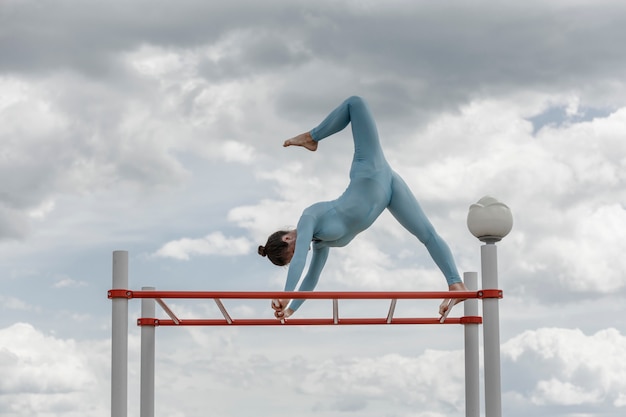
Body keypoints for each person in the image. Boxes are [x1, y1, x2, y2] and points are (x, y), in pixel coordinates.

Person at [258, 96, 467, 320]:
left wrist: (285, 294)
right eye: (292, 258)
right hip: (389, 189)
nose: (303, 251)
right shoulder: (321, 243)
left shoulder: (309, 217)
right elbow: (311, 278)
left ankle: (312, 137)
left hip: (369, 170)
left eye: (291, 253)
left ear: (288, 239)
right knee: (426, 235)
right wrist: (290, 310)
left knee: (356, 104)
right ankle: (456, 286)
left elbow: (300, 260)